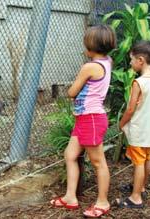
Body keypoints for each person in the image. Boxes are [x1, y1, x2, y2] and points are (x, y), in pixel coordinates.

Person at [50, 25, 116, 218]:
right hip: (86, 118)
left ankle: (103, 202)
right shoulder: (107, 61)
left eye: (86, 44)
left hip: (92, 118)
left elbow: (71, 92)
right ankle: (70, 197)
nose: (83, 48)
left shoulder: (90, 67)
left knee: (98, 162)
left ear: (91, 47)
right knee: (70, 154)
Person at [117, 41, 150, 209]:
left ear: (141, 60)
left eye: (132, 60)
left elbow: (130, 110)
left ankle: (135, 197)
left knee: (138, 162)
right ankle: (141, 187)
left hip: (138, 129)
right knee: (146, 158)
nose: (130, 63)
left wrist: (121, 124)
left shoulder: (139, 83)